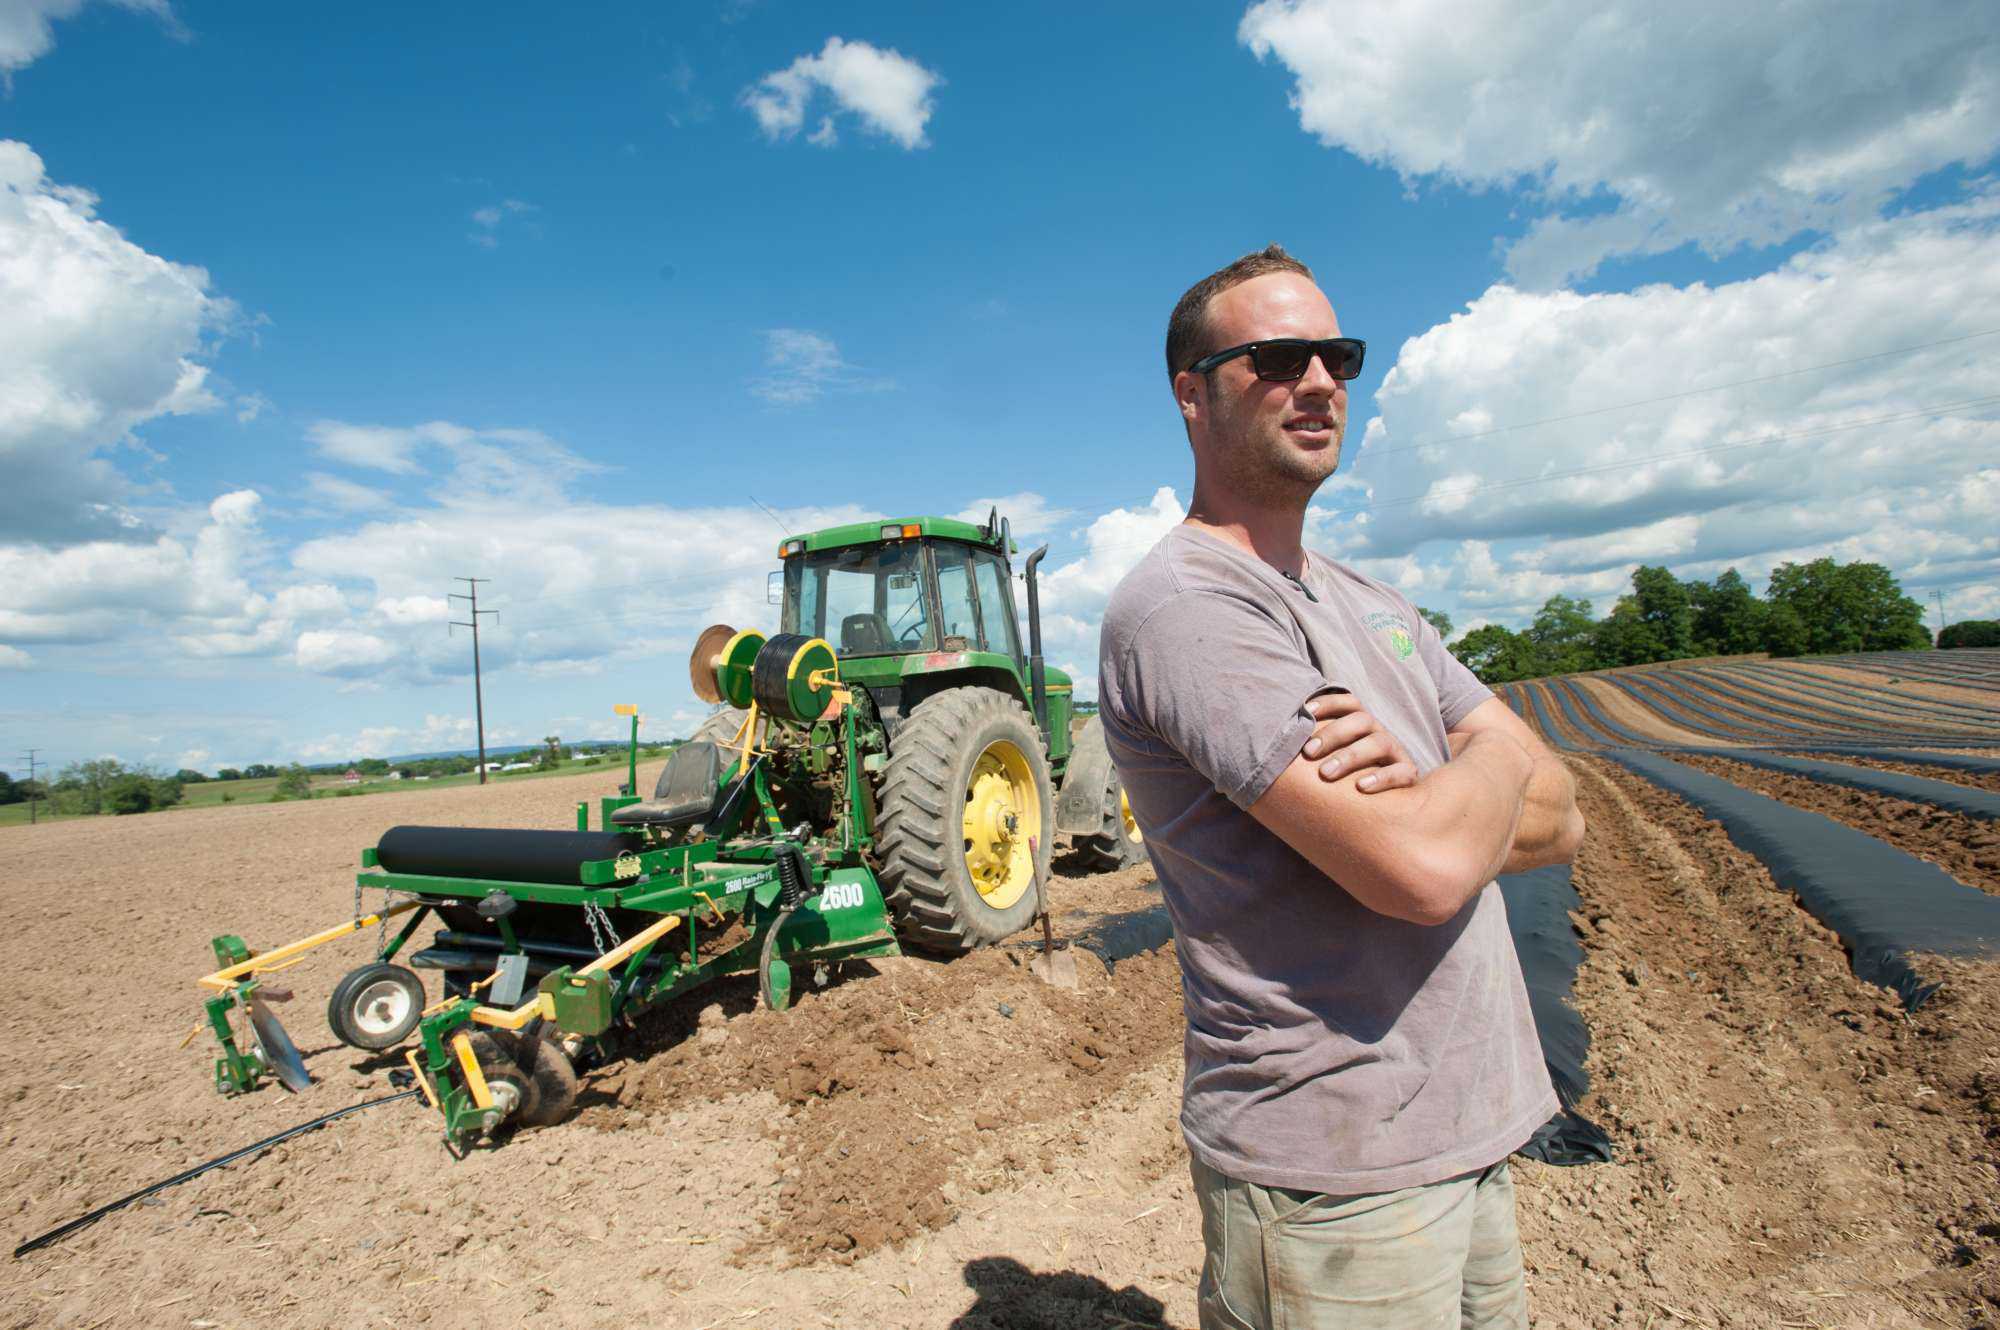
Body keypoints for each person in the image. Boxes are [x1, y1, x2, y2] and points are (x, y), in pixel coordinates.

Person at [1097, 245, 1586, 1329]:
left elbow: (1566, 818)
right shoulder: (1190, 608)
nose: (1319, 380)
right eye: (1277, 358)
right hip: (1334, 1178)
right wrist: (1489, 761)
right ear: (1191, 394)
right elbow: (1421, 869)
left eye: (1338, 356)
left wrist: (1440, 781)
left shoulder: (1376, 605)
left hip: (1463, 1132)